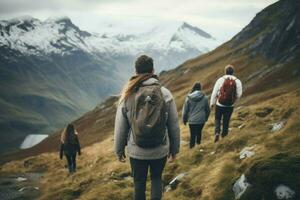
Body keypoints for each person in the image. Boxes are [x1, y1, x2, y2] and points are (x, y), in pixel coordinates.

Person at [114, 55, 180, 200]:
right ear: (153, 70)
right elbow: (174, 125)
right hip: (160, 149)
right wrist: (174, 149)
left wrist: (119, 150)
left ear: (136, 71)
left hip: (137, 150)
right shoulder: (165, 93)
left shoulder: (129, 94)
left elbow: (121, 126)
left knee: (139, 184)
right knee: (156, 180)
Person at [210, 65, 242, 143]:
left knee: (217, 119)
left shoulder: (220, 80)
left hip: (219, 104)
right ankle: (224, 137)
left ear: (225, 71)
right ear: (233, 72)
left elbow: (214, 92)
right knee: (226, 121)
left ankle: (217, 132)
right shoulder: (237, 81)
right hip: (230, 105)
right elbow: (239, 94)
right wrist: (234, 100)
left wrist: (212, 103)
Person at [182, 82, 210, 148]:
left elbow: (185, 111)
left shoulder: (188, 98)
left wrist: (184, 120)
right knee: (199, 132)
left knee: (192, 135)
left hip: (192, 120)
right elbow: (208, 110)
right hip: (201, 120)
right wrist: (206, 118)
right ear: (200, 88)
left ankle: (192, 148)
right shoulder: (205, 98)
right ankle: (198, 146)